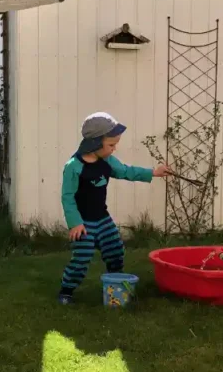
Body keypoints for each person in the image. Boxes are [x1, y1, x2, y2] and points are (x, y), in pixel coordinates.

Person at [58, 112, 171, 305]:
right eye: (111, 145)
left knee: (115, 251)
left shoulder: (107, 162)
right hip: (83, 223)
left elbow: (126, 171)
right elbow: (67, 197)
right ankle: (66, 291)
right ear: (94, 142)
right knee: (81, 260)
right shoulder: (74, 167)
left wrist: (153, 172)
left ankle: (115, 283)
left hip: (102, 220)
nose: (114, 148)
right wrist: (75, 223)